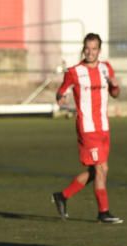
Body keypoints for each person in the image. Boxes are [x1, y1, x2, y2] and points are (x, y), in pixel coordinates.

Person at [52, 33, 122, 224]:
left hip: (104, 127)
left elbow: (115, 93)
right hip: (87, 128)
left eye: (94, 49)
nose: (90, 52)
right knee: (101, 169)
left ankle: (63, 196)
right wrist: (62, 98)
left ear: (99, 50)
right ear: (83, 49)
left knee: (99, 171)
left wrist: (116, 86)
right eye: (87, 48)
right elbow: (61, 91)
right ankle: (103, 212)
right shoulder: (74, 72)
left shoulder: (106, 68)